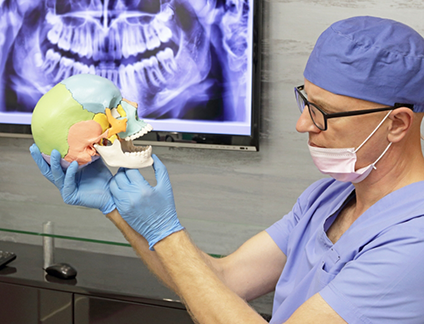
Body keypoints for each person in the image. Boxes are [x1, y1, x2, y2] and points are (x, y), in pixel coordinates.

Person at [30, 15, 424, 323]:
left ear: (397, 124)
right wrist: (118, 208)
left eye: (325, 113)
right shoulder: (328, 197)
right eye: (306, 101)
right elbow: (223, 280)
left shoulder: (414, 243)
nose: (303, 124)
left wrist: (165, 233)